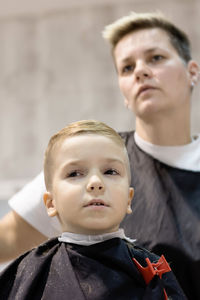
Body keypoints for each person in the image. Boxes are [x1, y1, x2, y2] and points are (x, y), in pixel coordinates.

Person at [0, 11, 199, 299]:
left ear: (192, 71)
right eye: (127, 67)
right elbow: (7, 237)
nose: (141, 71)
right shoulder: (92, 153)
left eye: (156, 58)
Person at [0, 120, 186, 300]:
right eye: (75, 173)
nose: (96, 183)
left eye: (110, 172)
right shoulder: (28, 275)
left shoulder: (152, 272)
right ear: (50, 203)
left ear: (129, 199)